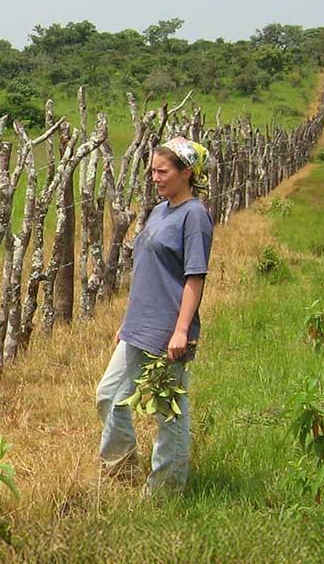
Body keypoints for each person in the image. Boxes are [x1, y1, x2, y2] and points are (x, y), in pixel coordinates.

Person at [96, 135, 213, 493]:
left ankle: (165, 490)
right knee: (109, 395)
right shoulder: (160, 211)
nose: (155, 178)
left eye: (162, 171)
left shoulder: (194, 216)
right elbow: (148, 271)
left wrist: (181, 331)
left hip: (167, 331)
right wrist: (126, 322)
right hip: (138, 326)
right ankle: (121, 466)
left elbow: (194, 278)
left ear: (186, 173)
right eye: (152, 172)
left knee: (169, 412)